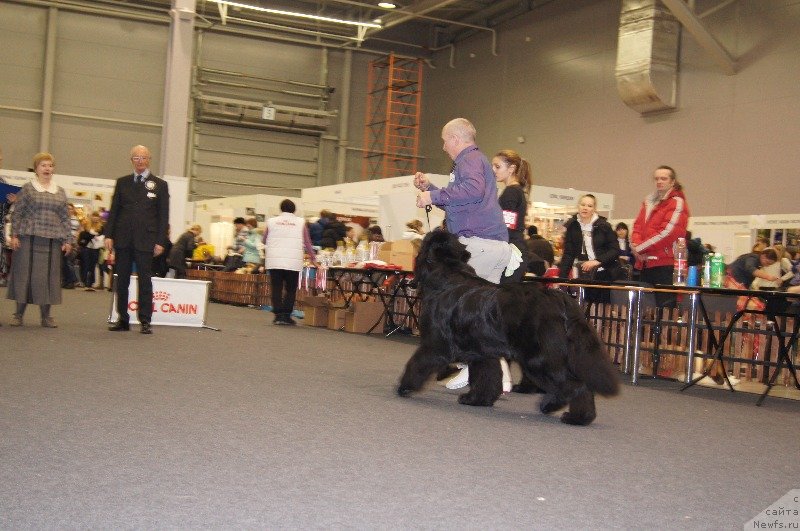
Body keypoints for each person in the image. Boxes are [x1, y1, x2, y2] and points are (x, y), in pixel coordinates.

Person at [414, 117, 513, 391]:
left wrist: (432, 198)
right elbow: (465, 201)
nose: (444, 147)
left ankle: (478, 370)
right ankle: (498, 373)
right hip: (493, 246)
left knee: (464, 313)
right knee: (482, 315)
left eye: (445, 141)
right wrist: (430, 190)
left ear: (456, 139)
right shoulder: (477, 161)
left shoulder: (468, 160)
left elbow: (472, 190)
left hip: (478, 245)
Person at [104, 145, 170, 334]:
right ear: (131, 160)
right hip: (123, 239)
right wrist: (109, 235)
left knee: (145, 281)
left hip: (146, 240)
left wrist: (160, 241)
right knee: (121, 280)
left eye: (143, 158)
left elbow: (163, 216)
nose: (140, 161)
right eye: (136, 158)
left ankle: (145, 320)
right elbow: (114, 211)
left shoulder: (160, 185)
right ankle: (122, 319)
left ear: (149, 159)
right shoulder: (122, 182)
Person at [6, 152, 72, 327]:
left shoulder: (60, 191)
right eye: (43, 165)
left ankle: (46, 317)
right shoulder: (28, 188)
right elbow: (17, 213)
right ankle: (18, 315)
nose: (47, 169)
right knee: (23, 276)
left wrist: (67, 240)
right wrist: (14, 235)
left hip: (52, 241)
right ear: (36, 169)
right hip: (28, 238)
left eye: (50, 165)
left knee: (49, 279)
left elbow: (65, 217)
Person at [630, 165, 689, 306]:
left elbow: (668, 233)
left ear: (672, 182)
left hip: (665, 266)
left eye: (664, 178)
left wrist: (639, 249)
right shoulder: (648, 202)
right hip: (645, 264)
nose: (659, 181)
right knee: (643, 310)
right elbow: (637, 227)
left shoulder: (677, 202)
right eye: (656, 178)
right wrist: (636, 247)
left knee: (665, 311)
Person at [263, 199, 317, 325]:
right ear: (294, 209)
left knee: (276, 287)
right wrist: (313, 259)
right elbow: (307, 242)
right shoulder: (300, 222)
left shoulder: (271, 222)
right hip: (293, 260)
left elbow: (264, 239)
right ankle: (286, 315)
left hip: (274, 259)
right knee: (291, 289)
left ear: (281, 208)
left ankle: (278, 315)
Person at [558, 194, 620, 303]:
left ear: (594, 209)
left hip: (603, 272)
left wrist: (597, 261)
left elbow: (615, 250)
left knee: (600, 308)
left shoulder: (604, 226)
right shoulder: (572, 226)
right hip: (582, 273)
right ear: (578, 206)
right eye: (583, 204)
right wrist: (561, 278)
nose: (585, 208)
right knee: (582, 305)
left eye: (589, 206)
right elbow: (568, 254)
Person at [492, 149, 533, 284]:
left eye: (497, 166)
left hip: (512, 252)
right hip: (514, 249)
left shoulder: (511, 192)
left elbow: (507, 227)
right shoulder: (516, 191)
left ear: (511, 169)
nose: (493, 170)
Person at [77, 211, 105, 291]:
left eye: (97, 216)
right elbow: (84, 235)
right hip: (87, 248)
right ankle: (84, 281)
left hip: (96, 248)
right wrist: (93, 236)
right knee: (85, 264)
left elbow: (102, 237)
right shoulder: (86, 225)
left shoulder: (101, 227)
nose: (95, 218)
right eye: (94, 216)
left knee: (93, 265)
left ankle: (91, 282)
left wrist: (92, 236)